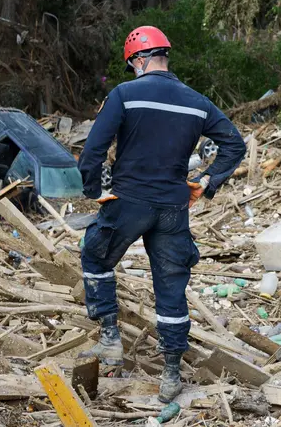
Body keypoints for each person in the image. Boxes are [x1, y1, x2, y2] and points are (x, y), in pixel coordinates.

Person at [76, 26, 246, 403]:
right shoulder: (197, 101)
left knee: (95, 257)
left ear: (139, 59)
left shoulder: (124, 94)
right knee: (170, 287)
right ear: (164, 55)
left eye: (132, 64)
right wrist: (206, 181)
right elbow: (235, 144)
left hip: (128, 201)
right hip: (173, 206)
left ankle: (110, 339)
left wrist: (94, 191)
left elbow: (92, 152)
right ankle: (171, 374)